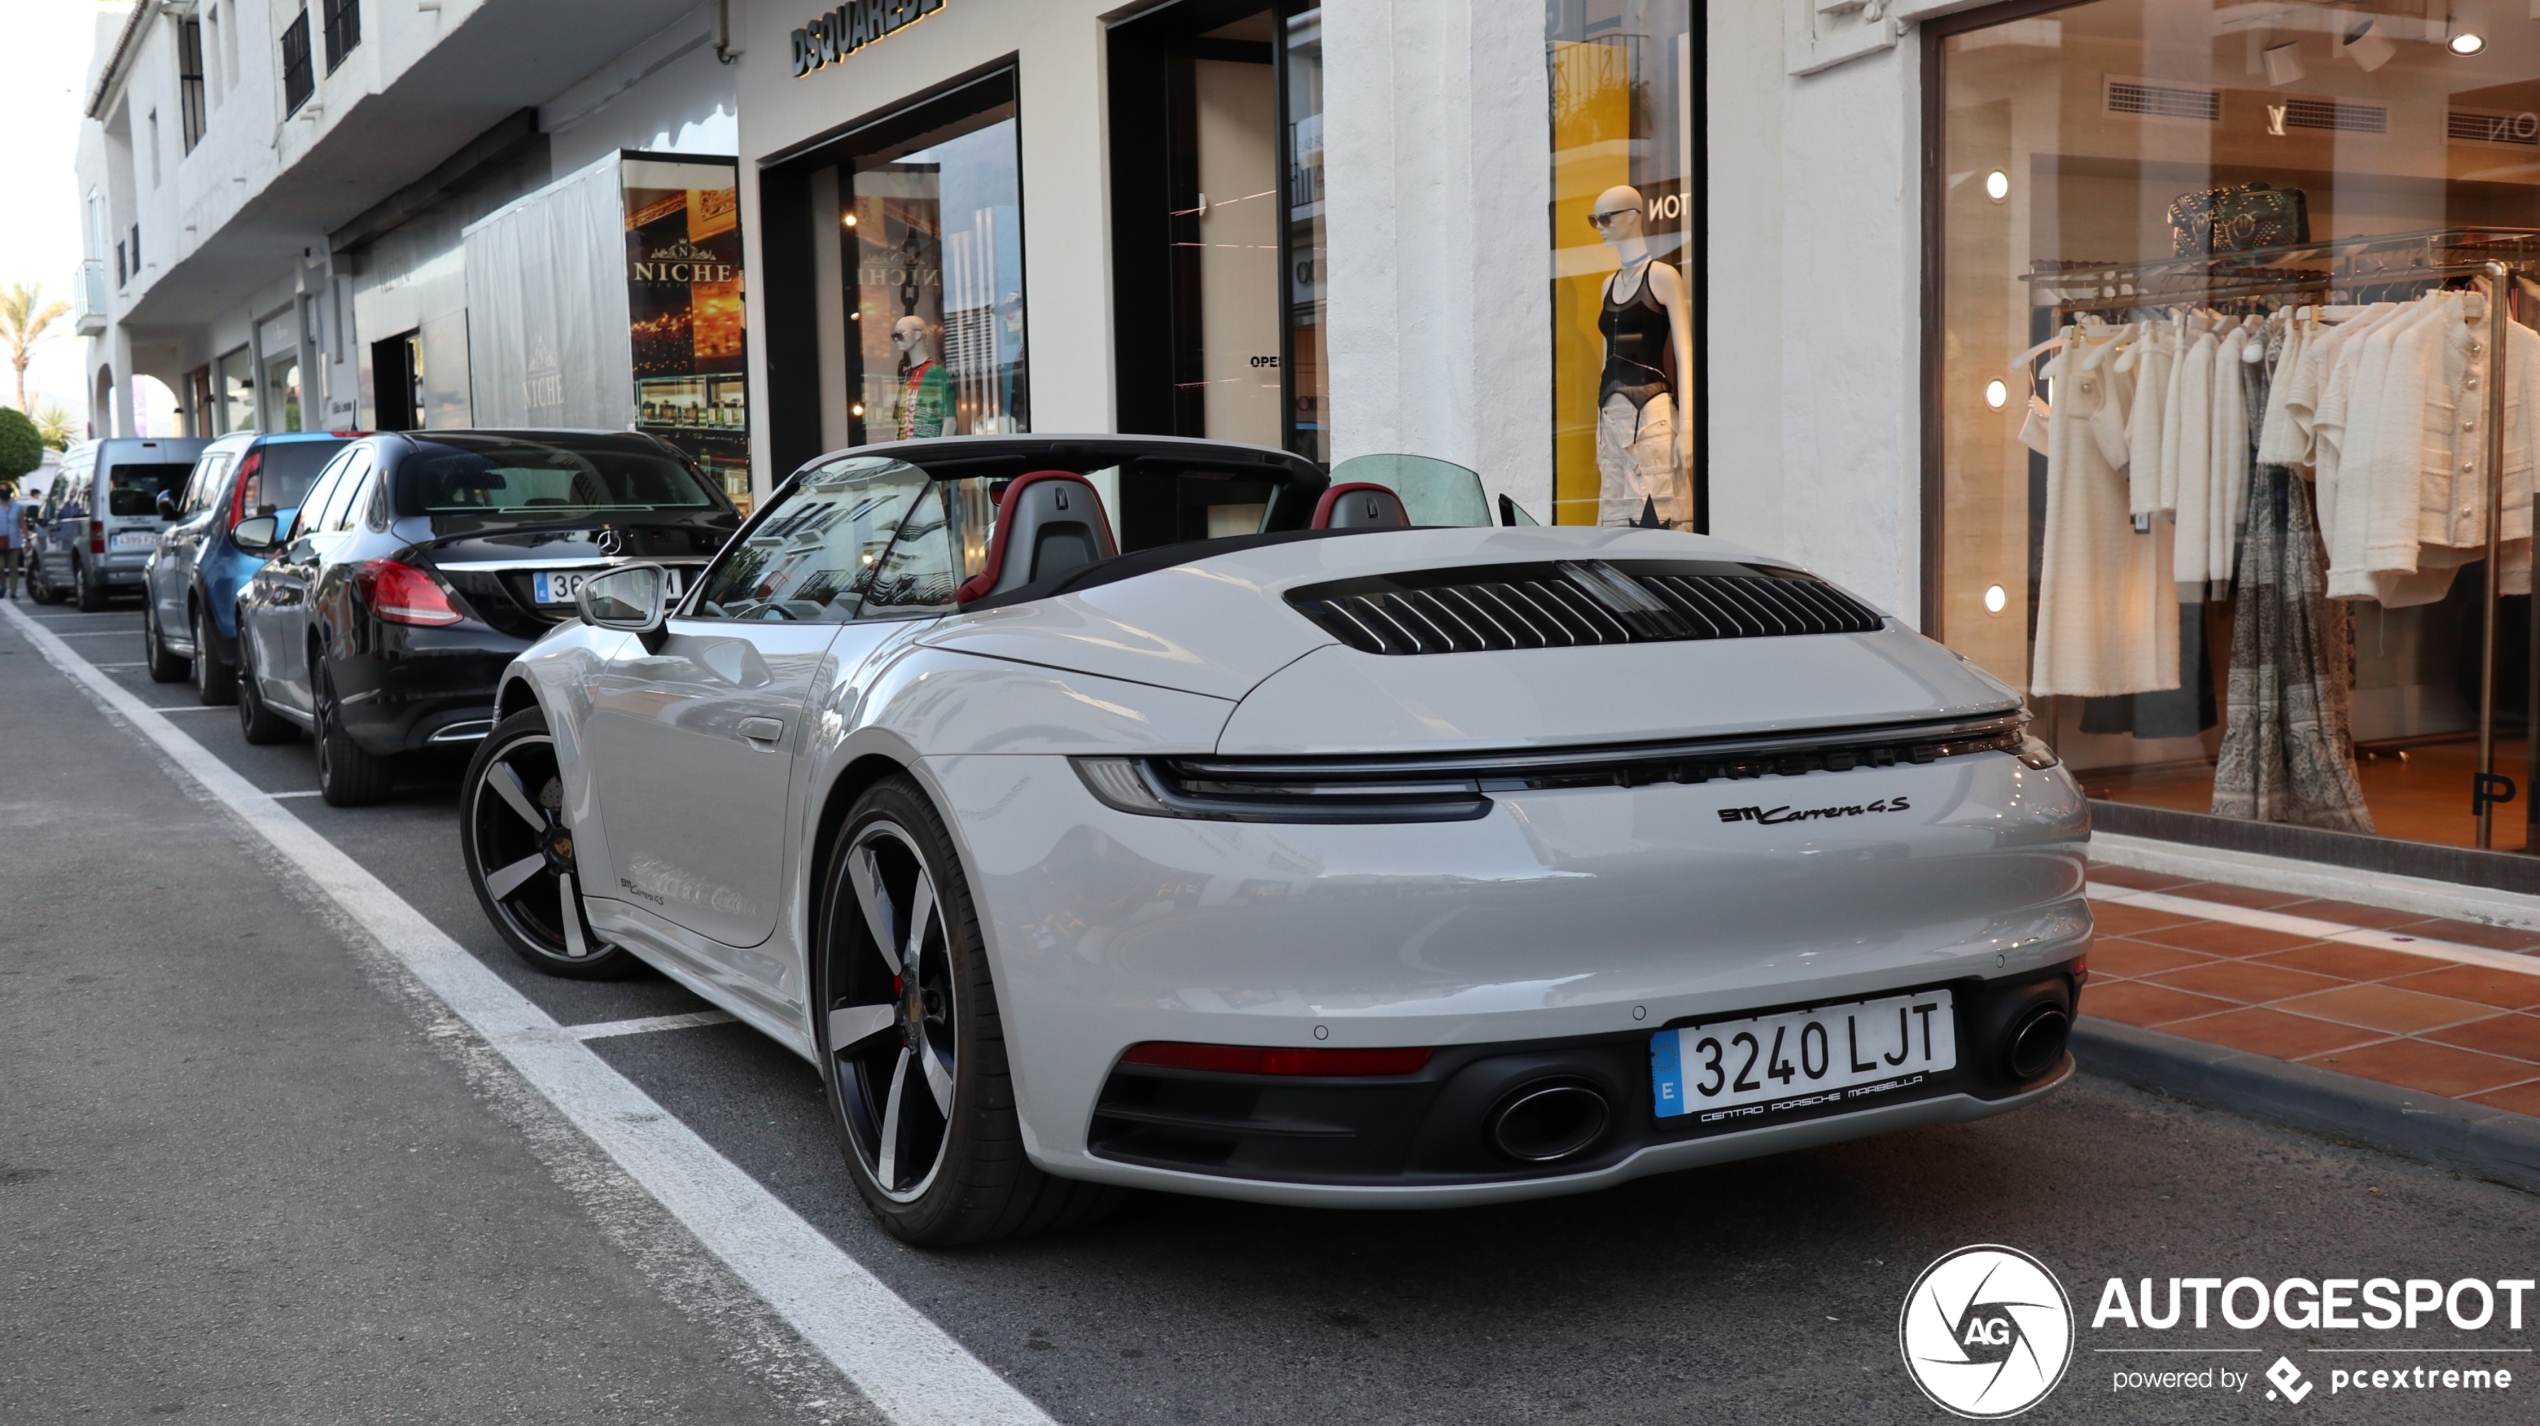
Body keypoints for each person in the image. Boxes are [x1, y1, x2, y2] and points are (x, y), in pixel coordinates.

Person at [0, 481, 22, 599]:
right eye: (1, 490)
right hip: (0, 541)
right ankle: (2, 586)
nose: (3, 492)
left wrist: (26, 539)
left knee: (13, 567)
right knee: (0, 567)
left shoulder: (17, 507)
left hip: (14, 541)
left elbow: (22, 523)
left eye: (5, 489)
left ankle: (13, 592)